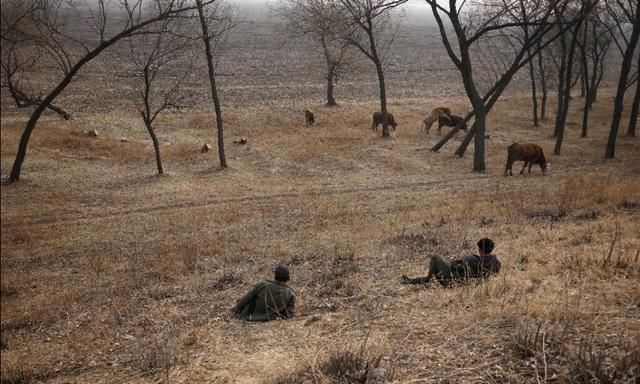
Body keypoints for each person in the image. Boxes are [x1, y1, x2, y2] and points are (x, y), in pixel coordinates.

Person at [401, 238, 501, 286]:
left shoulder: (472, 259)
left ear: (479, 249)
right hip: (463, 283)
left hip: (452, 280)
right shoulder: (496, 263)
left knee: (436, 257)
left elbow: (456, 267)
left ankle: (426, 279)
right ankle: (425, 280)